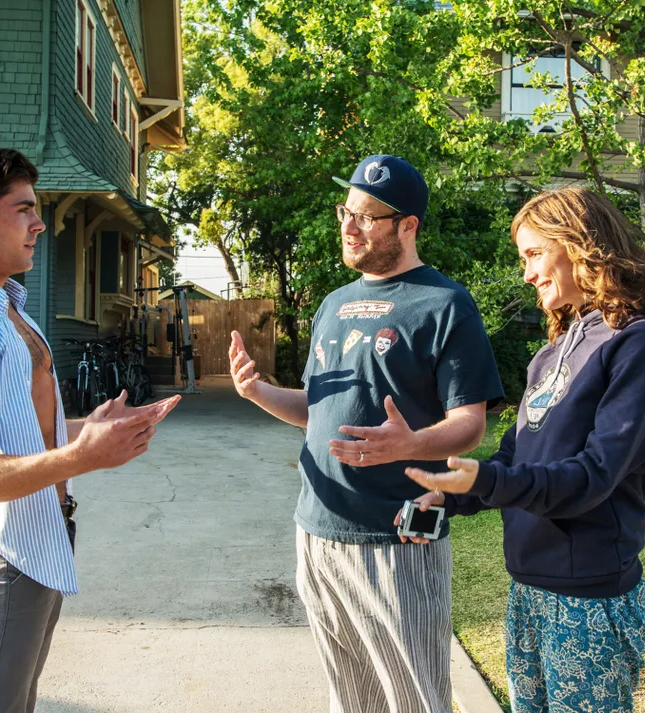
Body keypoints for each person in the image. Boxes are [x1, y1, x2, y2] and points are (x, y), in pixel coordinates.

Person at [0, 144, 179, 713]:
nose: (39, 223)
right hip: (0, 551)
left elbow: (17, 428)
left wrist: (85, 430)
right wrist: (82, 457)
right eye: (24, 209)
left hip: (41, 538)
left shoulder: (6, 305)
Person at [229, 154, 504, 713]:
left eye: (367, 218)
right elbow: (317, 409)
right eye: (345, 213)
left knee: (415, 700)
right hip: (318, 532)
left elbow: (469, 424)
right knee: (350, 698)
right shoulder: (332, 305)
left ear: (408, 226)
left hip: (397, 540)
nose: (349, 228)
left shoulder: (446, 305)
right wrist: (258, 391)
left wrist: (410, 444)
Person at [402, 186, 645, 712]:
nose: (528, 273)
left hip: (589, 597)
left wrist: (483, 482)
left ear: (579, 245)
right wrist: (453, 497)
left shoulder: (638, 343)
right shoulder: (554, 349)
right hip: (529, 587)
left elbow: (594, 476)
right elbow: (515, 458)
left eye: (534, 254)